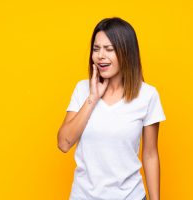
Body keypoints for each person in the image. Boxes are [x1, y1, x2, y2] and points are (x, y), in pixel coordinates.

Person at [58, 17, 166, 200]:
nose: (100, 56)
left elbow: (150, 155)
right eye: (96, 49)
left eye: (109, 49)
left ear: (126, 53)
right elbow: (64, 143)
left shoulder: (148, 96)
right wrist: (92, 98)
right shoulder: (82, 90)